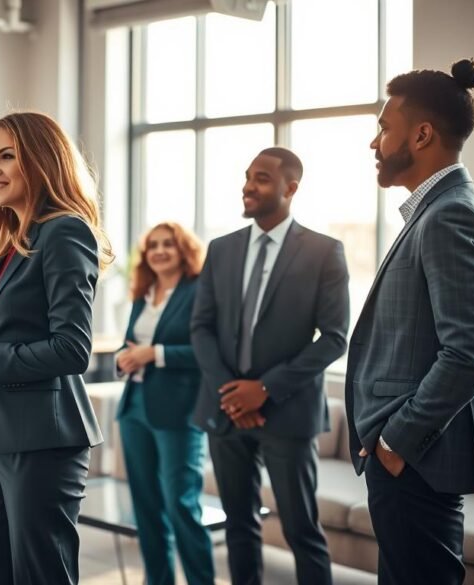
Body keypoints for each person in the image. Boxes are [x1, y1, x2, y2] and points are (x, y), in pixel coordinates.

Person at [346, 59, 474, 585]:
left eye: (382, 127)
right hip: (412, 458)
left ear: (421, 134)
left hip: (417, 458)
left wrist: (396, 442)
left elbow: (470, 354)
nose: (374, 143)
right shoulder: (436, 210)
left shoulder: (450, 214)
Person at [0, 111, 114, 585]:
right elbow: (1, 336)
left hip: (43, 442)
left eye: (7, 156)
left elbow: (73, 349)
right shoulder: (13, 244)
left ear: (41, 160)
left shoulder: (65, 231)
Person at [191, 146, 350, 585]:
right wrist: (231, 392)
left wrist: (263, 389)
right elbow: (200, 328)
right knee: (239, 527)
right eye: (247, 176)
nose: (248, 186)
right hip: (226, 412)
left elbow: (335, 338)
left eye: (261, 178)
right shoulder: (221, 250)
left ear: (290, 187)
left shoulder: (324, 251)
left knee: (302, 530)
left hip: (288, 412)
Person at [115, 222, 213, 585]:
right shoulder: (144, 292)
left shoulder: (199, 290)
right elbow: (130, 344)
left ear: (183, 249)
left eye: (167, 245)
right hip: (134, 409)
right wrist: (124, 358)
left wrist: (152, 354)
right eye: (152, 245)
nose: (158, 251)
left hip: (179, 411)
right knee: (146, 508)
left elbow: (207, 350)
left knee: (181, 505)